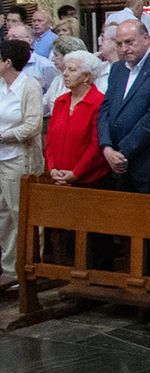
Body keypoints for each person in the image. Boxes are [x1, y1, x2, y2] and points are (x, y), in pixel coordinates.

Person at [98, 19, 150, 194]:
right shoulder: (118, 68)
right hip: (116, 162)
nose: (123, 48)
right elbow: (105, 109)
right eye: (119, 44)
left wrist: (122, 151)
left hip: (148, 164)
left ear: (145, 38)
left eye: (129, 42)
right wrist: (106, 146)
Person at [0, 38, 45, 283]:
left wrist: (4, 136)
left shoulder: (29, 87)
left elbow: (33, 124)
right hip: (0, 158)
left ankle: (27, 268)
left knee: (22, 213)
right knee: (2, 214)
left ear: (8, 62)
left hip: (19, 158)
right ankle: (8, 269)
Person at [44, 50, 109, 189]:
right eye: (66, 68)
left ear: (86, 76)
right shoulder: (61, 101)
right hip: (58, 177)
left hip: (89, 181)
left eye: (72, 70)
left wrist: (76, 173)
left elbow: (95, 144)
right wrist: (52, 168)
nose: (65, 73)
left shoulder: (99, 102)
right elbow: (50, 138)